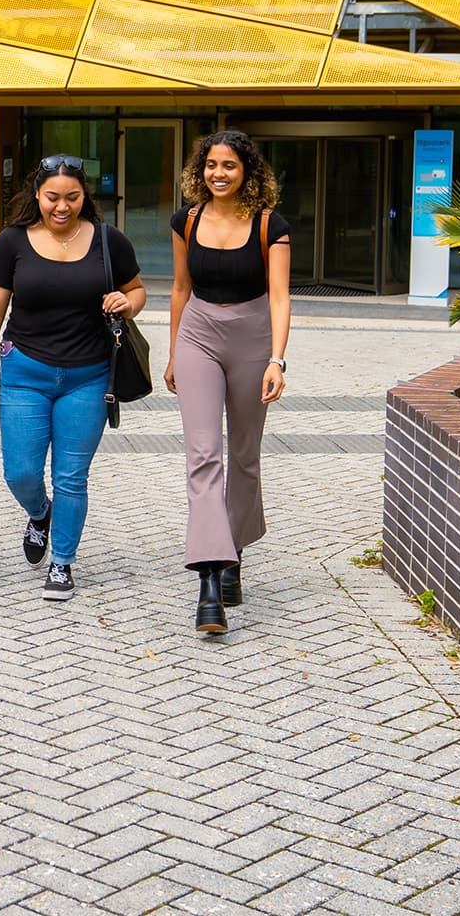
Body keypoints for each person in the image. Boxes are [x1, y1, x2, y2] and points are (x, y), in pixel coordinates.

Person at [0, 156, 147, 601]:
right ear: (36, 196)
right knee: (20, 472)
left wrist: (128, 301)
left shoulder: (108, 241)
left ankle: (63, 562)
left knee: (71, 476)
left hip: (89, 375)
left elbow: (138, 290)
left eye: (72, 197)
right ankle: (39, 513)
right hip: (25, 371)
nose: (62, 207)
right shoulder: (11, 243)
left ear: (85, 196)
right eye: (52, 198)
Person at [164, 131, 292, 635]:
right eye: (212, 165)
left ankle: (235, 546)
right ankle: (209, 581)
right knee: (203, 454)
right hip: (198, 334)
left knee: (243, 455)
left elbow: (281, 297)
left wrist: (277, 360)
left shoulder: (269, 225)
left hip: (253, 337)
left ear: (248, 172)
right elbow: (179, 288)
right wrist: (174, 352)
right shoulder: (186, 221)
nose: (219, 174)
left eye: (230, 166)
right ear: (201, 170)